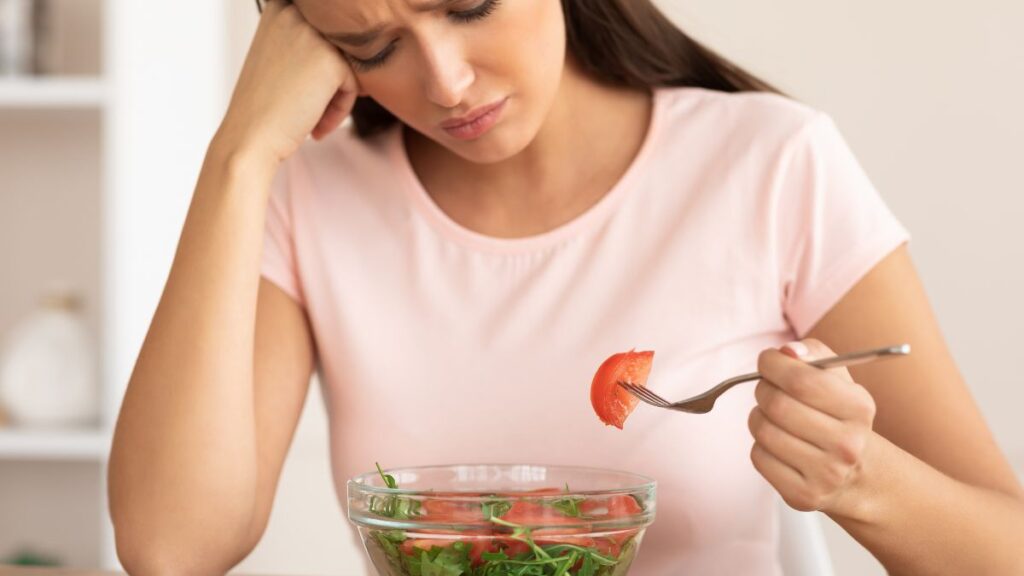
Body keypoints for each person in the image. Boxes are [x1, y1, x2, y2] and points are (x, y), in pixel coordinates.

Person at [107, 0, 1024, 573]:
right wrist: (240, 154)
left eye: (468, 7)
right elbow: (172, 550)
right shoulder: (311, 198)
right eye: (373, 45)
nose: (446, 81)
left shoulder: (770, 165)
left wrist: (863, 481)